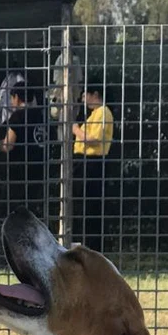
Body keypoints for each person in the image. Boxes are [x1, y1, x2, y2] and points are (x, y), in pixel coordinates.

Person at [0, 73, 49, 226]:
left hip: (19, 171)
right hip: (39, 171)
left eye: (11, 98)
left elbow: (8, 145)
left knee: (7, 212)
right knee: (30, 213)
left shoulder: (18, 116)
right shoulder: (41, 116)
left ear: (16, 97)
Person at [72, 85, 114, 252]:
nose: (83, 100)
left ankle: (91, 247)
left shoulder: (103, 112)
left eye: (85, 95)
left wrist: (75, 129)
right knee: (81, 206)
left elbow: (94, 139)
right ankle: (84, 245)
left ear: (95, 94)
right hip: (84, 162)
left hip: (92, 162)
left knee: (90, 207)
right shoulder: (94, 114)